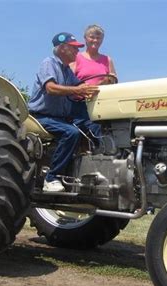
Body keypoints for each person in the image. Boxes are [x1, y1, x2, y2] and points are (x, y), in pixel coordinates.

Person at [28, 32, 101, 192]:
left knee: (94, 125)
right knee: (71, 133)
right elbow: (51, 88)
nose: (77, 51)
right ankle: (51, 178)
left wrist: (98, 88)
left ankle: (101, 165)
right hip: (41, 117)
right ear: (62, 48)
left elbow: (80, 87)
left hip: (61, 118)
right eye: (74, 48)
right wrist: (77, 89)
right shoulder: (49, 63)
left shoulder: (67, 70)